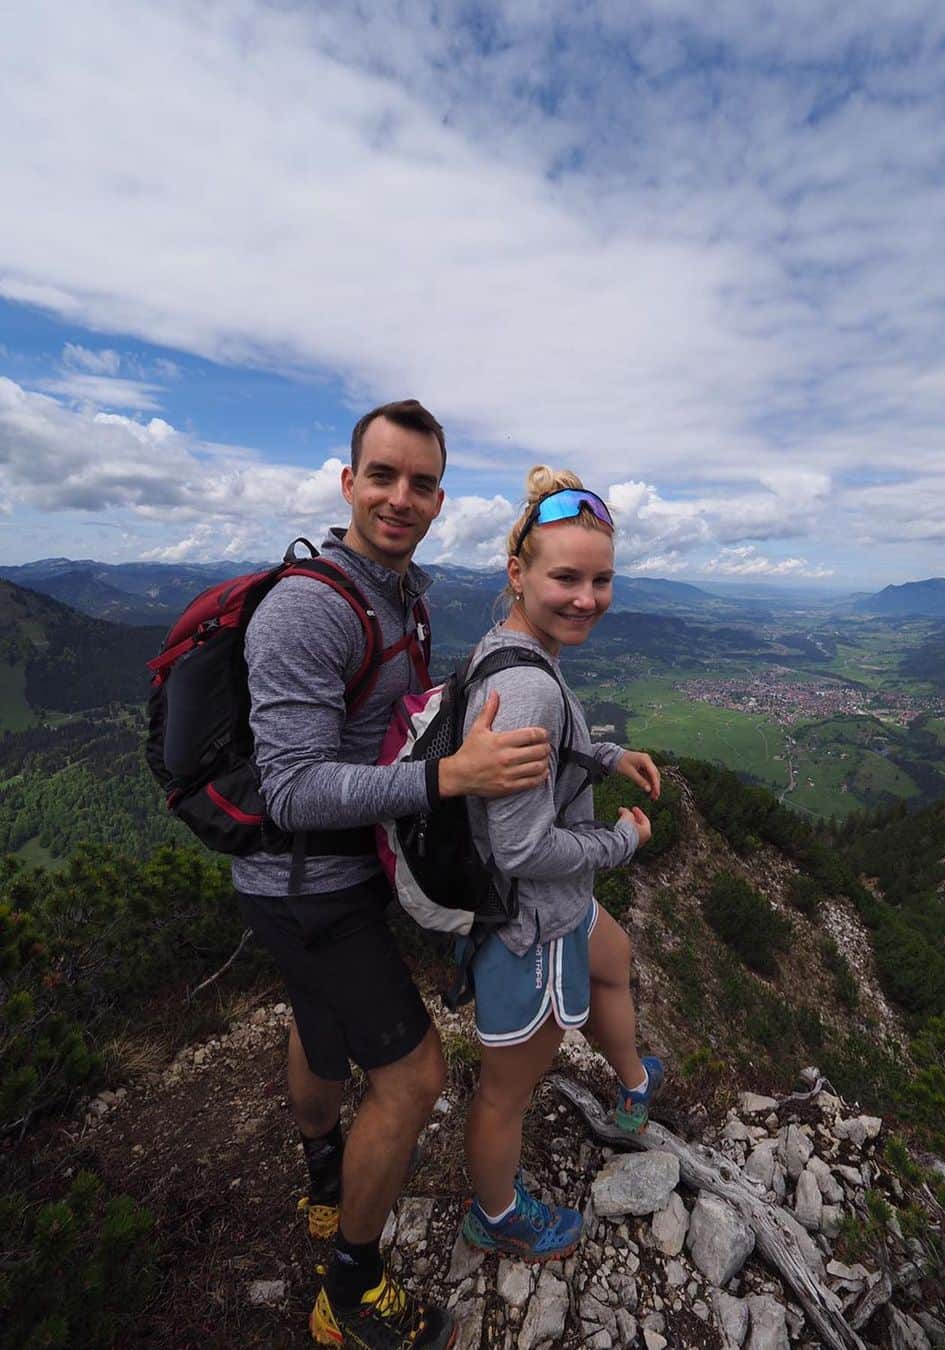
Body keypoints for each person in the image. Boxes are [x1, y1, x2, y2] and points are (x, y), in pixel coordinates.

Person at [234, 400, 552, 1350]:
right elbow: (289, 790)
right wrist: (448, 777)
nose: (399, 497)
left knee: (319, 1023)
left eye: (420, 483)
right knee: (413, 1080)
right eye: (382, 475)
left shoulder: (397, 593)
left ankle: (326, 1184)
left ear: (440, 497)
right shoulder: (308, 606)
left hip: (315, 882)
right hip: (307, 882)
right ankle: (351, 1294)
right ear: (348, 482)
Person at [457, 466, 664, 1261]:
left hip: (556, 909)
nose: (588, 597)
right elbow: (520, 846)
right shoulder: (531, 684)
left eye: (601, 579)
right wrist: (623, 843)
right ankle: (498, 1214)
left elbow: (549, 755)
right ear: (519, 574)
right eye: (566, 578)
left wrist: (608, 755)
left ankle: (634, 1082)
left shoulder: (515, 649)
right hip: (526, 922)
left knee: (614, 959)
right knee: (507, 1091)